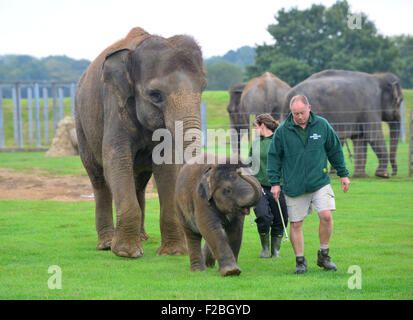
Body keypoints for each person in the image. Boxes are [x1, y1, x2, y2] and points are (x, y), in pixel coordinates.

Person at [267, 95, 350, 274]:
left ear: (309, 108)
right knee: (296, 224)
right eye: (295, 113)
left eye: (302, 113)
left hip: (319, 181)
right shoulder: (282, 131)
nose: (299, 116)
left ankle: (324, 255)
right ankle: (300, 261)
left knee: (326, 215)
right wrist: (274, 183)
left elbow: (335, 150)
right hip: (293, 185)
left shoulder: (322, 125)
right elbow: (274, 158)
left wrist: (343, 174)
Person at [249, 114, 289, 258]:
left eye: (255, 126)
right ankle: (265, 248)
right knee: (263, 216)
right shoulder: (255, 143)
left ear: (262, 125)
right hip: (259, 187)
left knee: (281, 218)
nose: (254, 129)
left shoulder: (279, 141)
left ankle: (275, 251)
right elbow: (250, 163)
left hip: (279, 185)